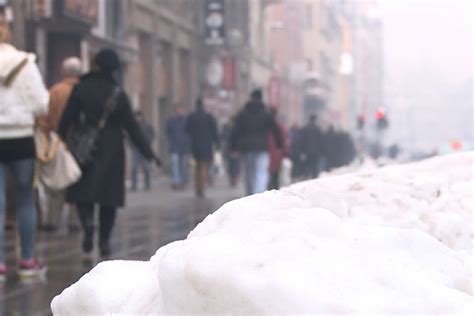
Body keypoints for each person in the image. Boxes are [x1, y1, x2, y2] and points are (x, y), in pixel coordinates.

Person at [58, 49, 161, 257]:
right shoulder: (118, 93)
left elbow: (66, 120)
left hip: (84, 148)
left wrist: (61, 141)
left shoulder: (81, 88)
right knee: (109, 198)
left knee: (83, 193)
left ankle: (87, 224)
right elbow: (132, 128)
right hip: (112, 149)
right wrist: (149, 153)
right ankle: (104, 240)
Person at [0, 17, 49, 280]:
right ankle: (27, 260)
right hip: (20, 139)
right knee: (25, 199)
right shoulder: (24, 63)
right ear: (7, 32)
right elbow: (42, 103)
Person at [37, 57, 82, 232]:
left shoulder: (55, 91)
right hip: (80, 145)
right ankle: (74, 220)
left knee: (57, 183)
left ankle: (53, 220)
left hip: (58, 143)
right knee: (77, 181)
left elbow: (44, 118)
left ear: (64, 72)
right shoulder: (82, 90)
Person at [230, 89, 282, 195]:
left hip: (246, 148)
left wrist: (233, 147)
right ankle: (258, 194)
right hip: (262, 147)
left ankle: (250, 193)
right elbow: (275, 129)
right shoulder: (266, 114)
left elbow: (235, 131)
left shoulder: (243, 114)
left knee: (249, 173)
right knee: (261, 172)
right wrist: (279, 145)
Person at [185, 99, 219, 197]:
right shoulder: (209, 117)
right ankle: (201, 188)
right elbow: (214, 131)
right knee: (204, 167)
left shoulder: (192, 117)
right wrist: (217, 143)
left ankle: (197, 187)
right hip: (206, 146)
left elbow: (187, 130)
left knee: (197, 167)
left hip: (195, 146)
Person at [166, 106, 190, 190]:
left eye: (181, 110)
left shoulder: (186, 121)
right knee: (174, 164)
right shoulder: (171, 120)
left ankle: (182, 181)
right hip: (174, 146)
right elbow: (168, 131)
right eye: (177, 110)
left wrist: (188, 144)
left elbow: (190, 133)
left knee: (183, 165)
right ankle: (176, 181)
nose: (179, 112)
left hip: (184, 147)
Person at [131, 111, 155, 191]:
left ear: (141, 117)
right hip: (136, 149)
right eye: (136, 117)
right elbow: (129, 135)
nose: (137, 118)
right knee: (134, 168)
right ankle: (134, 185)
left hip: (144, 149)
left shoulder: (147, 125)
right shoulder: (133, 126)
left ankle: (147, 185)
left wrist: (148, 143)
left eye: (138, 117)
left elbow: (152, 134)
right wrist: (131, 144)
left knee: (146, 168)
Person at [267, 108, 289, 190]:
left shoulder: (264, 126)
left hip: (267, 151)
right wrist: (286, 152)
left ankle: (269, 186)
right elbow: (284, 140)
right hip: (277, 152)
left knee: (267, 170)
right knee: (275, 172)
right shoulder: (280, 126)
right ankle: (274, 187)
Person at [300, 114, 324, 179]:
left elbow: (302, 141)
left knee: (307, 164)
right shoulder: (318, 129)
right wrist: (321, 151)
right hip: (316, 151)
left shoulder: (305, 129)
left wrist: (302, 150)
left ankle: (306, 175)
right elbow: (321, 141)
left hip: (307, 151)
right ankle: (314, 177)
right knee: (314, 165)